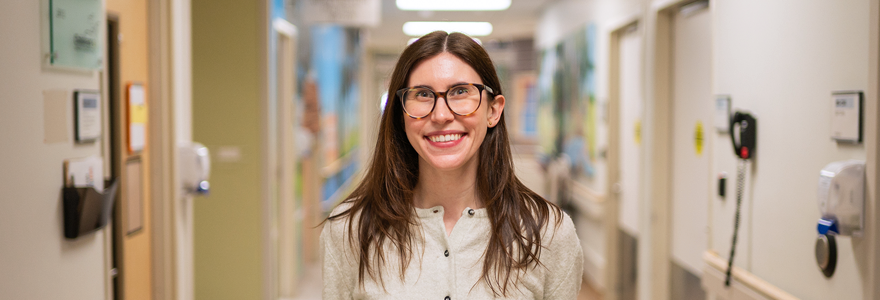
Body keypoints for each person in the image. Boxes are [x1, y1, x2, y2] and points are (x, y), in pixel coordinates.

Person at [321, 31, 583, 299]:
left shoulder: (548, 234)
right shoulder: (350, 230)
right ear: (400, 114)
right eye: (422, 94)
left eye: (460, 92)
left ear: (493, 110)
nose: (441, 115)